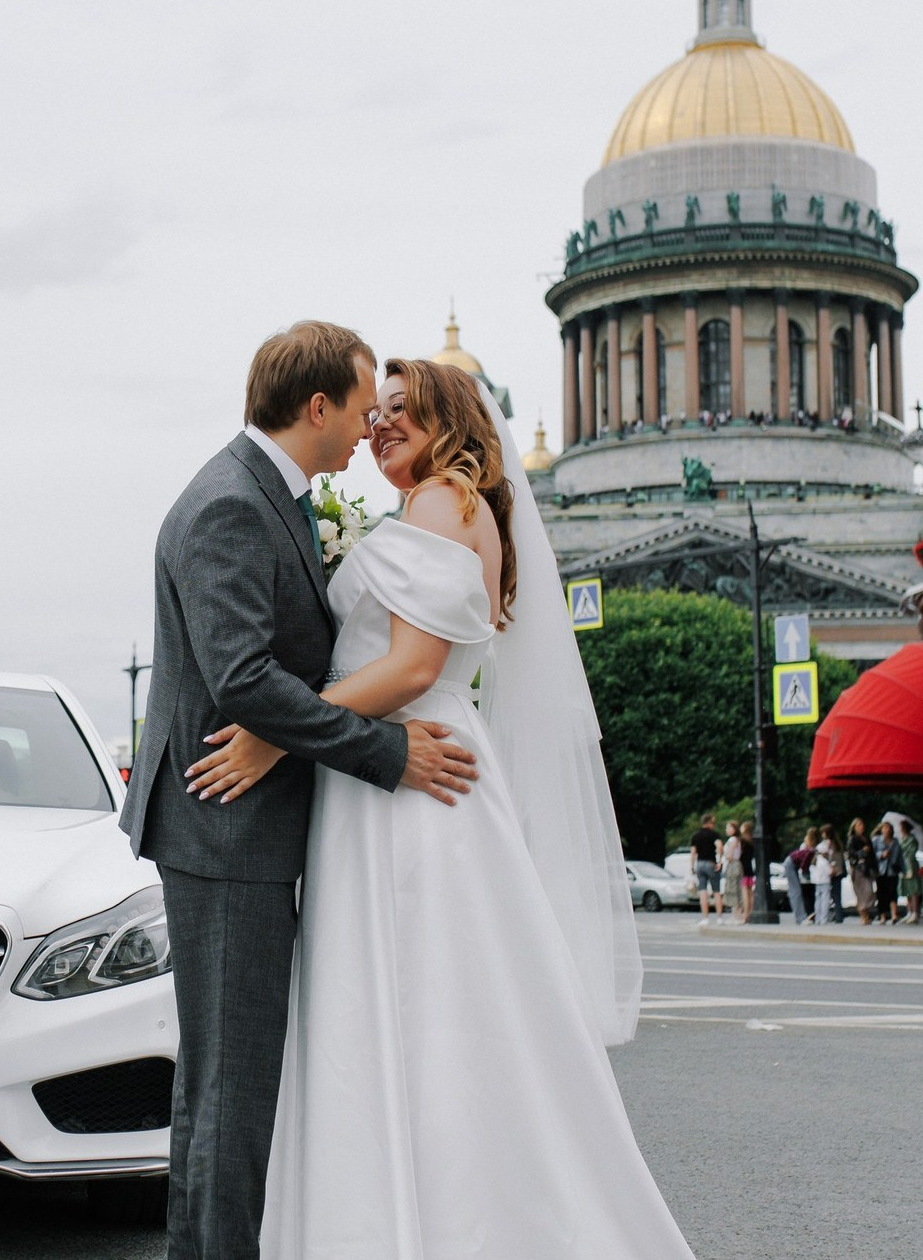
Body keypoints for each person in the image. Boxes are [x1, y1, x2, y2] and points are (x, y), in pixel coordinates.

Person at [189, 358, 696, 1258]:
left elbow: (414, 668)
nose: (380, 426)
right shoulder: (449, 505)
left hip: (412, 777)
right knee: (442, 1006)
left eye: (400, 412)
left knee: (414, 1004)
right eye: (373, 412)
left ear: (450, 421)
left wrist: (279, 732)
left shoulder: (442, 501)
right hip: (399, 771)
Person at [118, 323, 480, 1260]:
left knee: (220, 1087)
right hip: (225, 831)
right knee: (232, 1092)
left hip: (236, 829)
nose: (370, 426)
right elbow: (241, 679)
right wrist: (386, 753)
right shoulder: (231, 503)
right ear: (316, 406)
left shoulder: (268, 495)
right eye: (364, 407)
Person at [691, 812, 724, 922]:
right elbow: (719, 847)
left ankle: (705, 918)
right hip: (711, 863)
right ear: (709, 823)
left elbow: (693, 853)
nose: (714, 825)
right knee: (716, 891)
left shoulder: (696, 835)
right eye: (713, 822)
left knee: (703, 891)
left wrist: (691, 867)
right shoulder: (714, 835)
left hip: (700, 864)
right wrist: (719, 860)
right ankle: (719, 918)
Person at [846, 817, 876, 925]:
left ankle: (866, 911)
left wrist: (874, 867)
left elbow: (872, 855)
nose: (861, 827)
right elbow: (851, 855)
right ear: (854, 827)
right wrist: (862, 851)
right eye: (858, 825)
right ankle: (863, 915)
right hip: (858, 868)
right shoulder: (852, 839)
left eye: (862, 824)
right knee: (860, 892)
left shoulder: (867, 838)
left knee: (868, 891)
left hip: (867, 868)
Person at [783, 830, 817, 924]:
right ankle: (800, 918)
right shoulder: (810, 852)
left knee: (795, 890)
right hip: (791, 865)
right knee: (796, 891)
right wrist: (808, 874)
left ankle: (801, 917)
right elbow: (804, 865)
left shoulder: (809, 850)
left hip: (791, 863)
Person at [874, 821, 903, 924]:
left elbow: (900, 856)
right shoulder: (877, 840)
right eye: (884, 828)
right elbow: (872, 855)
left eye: (888, 828)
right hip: (881, 871)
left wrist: (901, 868)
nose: (886, 830)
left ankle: (894, 914)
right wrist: (881, 854)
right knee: (881, 893)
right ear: (881, 830)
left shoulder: (895, 842)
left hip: (892, 870)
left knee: (892, 892)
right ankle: (882, 916)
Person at [898, 818, 922, 923]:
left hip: (910, 865)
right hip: (903, 866)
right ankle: (909, 911)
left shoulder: (911, 839)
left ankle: (915, 912)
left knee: (913, 890)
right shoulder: (902, 839)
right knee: (907, 890)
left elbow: (911, 853)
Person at [823, 824, 846, 923]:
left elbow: (830, 859)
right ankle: (839, 914)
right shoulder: (838, 844)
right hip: (839, 872)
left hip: (832, 872)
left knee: (832, 895)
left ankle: (837, 916)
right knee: (837, 895)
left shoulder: (829, 844)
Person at [721, 819, 743, 921]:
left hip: (732, 865)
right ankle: (736, 914)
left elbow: (729, 855)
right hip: (737, 864)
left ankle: (735, 915)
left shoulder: (732, 840)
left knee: (732, 888)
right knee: (737, 888)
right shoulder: (737, 839)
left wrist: (722, 854)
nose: (727, 829)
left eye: (729, 827)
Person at [811, 830, 833, 925]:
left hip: (817, 882)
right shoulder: (824, 862)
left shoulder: (815, 861)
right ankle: (824, 919)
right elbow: (830, 872)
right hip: (825, 882)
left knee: (818, 901)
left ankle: (818, 919)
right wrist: (832, 867)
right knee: (825, 901)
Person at [738, 819, 757, 923]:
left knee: (745, 892)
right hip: (750, 868)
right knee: (751, 893)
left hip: (743, 868)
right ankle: (750, 913)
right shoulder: (753, 842)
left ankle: (745, 915)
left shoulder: (742, 841)